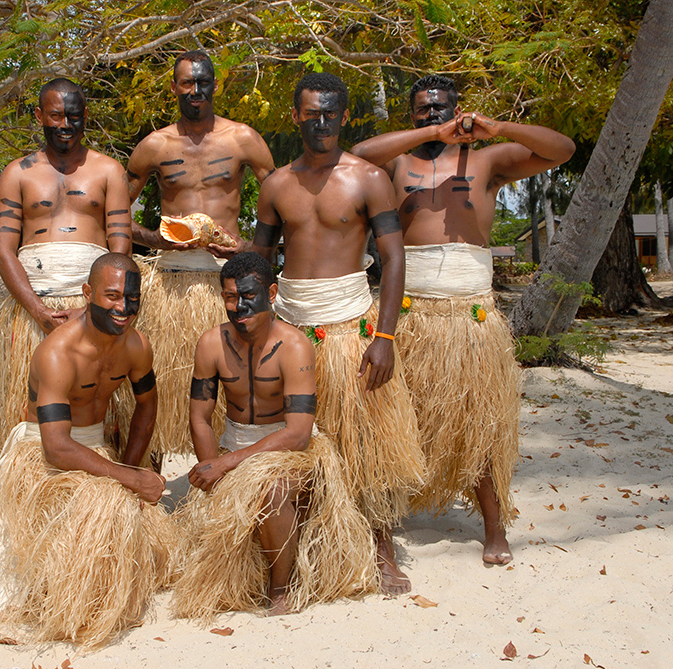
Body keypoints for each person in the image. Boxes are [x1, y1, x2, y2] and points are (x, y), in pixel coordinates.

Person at [350, 75, 575, 564]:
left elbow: (562, 150)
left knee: (481, 424)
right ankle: (385, 523)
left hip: (470, 317)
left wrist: (498, 128)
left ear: (458, 110)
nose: (432, 114)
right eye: (423, 108)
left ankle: (494, 528)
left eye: (441, 108)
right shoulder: (398, 163)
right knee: (392, 419)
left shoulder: (487, 161)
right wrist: (430, 135)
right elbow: (358, 153)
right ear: (412, 114)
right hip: (408, 314)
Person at [0, 253, 176, 648]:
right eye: (112, 295)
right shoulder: (57, 353)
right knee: (94, 521)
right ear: (88, 292)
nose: (124, 308)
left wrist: (130, 467)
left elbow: (147, 405)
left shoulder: (137, 346)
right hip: (41, 452)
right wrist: (130, 479)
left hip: (95, 450)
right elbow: (56, 448)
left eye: (132, 298)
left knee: (118, 525)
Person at [253, 73, 426, 594]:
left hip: (352, 328)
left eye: (331, 113)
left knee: (365, 444)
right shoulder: (275, 185)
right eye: (312, 113)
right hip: (291, 330)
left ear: (344, 116)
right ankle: (302, 548)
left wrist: (385, 338)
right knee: (297, 442)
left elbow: (393, 258)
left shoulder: (368, 178)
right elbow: (260, 259)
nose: (321, 122)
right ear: (296, 116)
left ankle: (381, 551)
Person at [173, 253, 375, 619]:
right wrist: (210, 466)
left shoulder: (294, 346)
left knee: (273, 490)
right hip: (232, 444)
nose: (239, 307)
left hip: (288, 453)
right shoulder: (211, 344)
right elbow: (200, 416)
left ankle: (280, 588)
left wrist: (226, 464)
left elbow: (297, 434)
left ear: (272, 293)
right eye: (230, 297)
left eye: (249, 295)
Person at [125, 50, 276, 462]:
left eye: (203, 82)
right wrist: (157, 240)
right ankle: (151, 475)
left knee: (232, 382)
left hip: (229, 280)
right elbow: (113, 214)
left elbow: (282, 201)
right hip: (172, 282)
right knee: (164, 378)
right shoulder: (155, 145)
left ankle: (224, 473)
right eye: (187, 83)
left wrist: (250, 248)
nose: (195, 90)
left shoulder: (242, 139)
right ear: (174, 87)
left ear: (215, 85)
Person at [0, 78, 133, 424]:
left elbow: (120, 248)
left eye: (73, 115)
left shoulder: (109, 170)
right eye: (56, 115)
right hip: (34, 306)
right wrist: (38, 310)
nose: (65, 124)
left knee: (98, 411)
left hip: (94, 307)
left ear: (85, 114)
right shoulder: (17, 173)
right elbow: (2, 251)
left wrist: (92, 311)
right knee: (30, 411)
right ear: (39, 115)